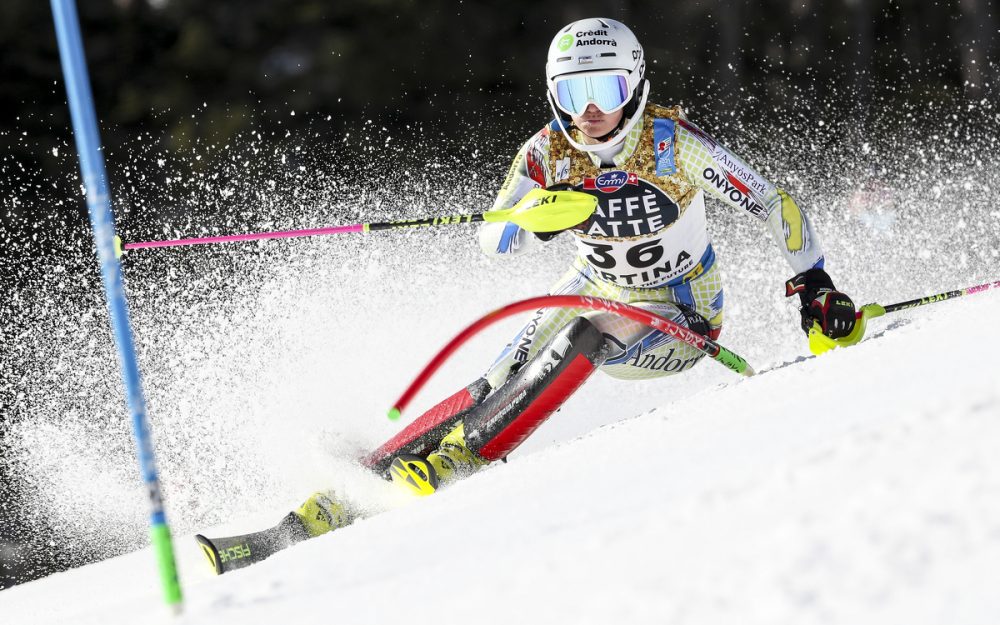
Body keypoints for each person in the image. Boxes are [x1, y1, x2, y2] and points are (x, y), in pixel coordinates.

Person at [196, 17, 857, 574]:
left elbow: (776, 202)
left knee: (587, 333)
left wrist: (814, 282)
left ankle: (462, 459)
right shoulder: (545, 153)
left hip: (680, 314)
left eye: (606, 89)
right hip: (591, 292)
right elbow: (494, 238)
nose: (590, 111)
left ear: (637, 86)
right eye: (573, 93)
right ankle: (340, 496)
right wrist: (539, 213)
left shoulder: (671, 145)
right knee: (492, 380)